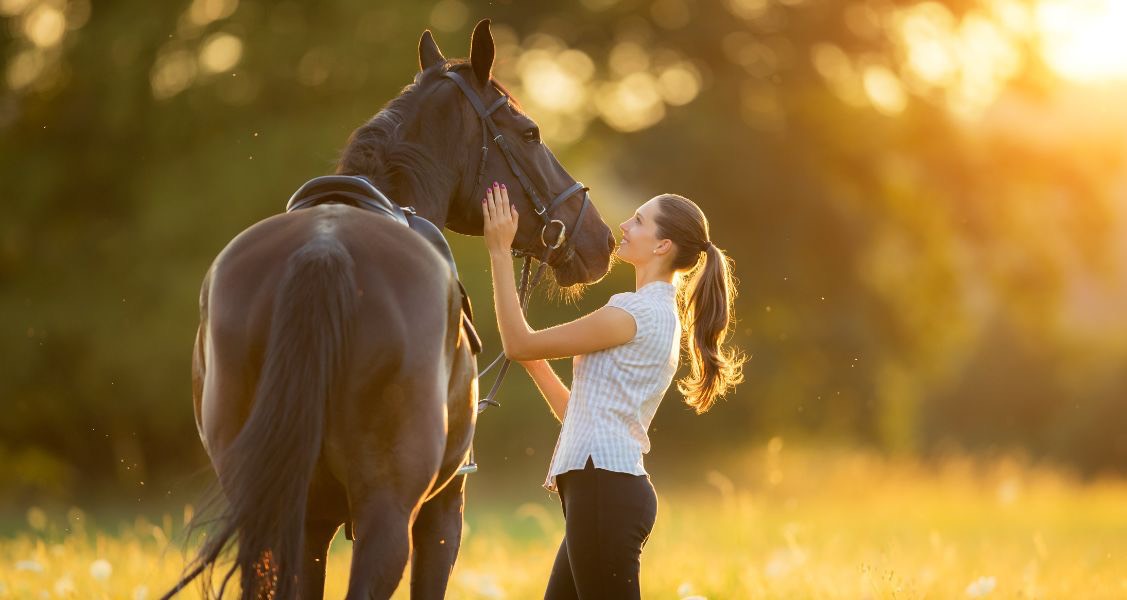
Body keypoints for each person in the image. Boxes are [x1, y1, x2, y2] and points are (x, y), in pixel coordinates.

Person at [481, 181, 745, 599]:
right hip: (602, 490)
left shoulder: (633, 312)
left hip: (604, 492)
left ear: (662, 246)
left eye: (639, 221)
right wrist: (536, 363)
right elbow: (581, 412)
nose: (624, 224)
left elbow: (517, 343)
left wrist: (499, 250)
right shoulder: (654, 313)